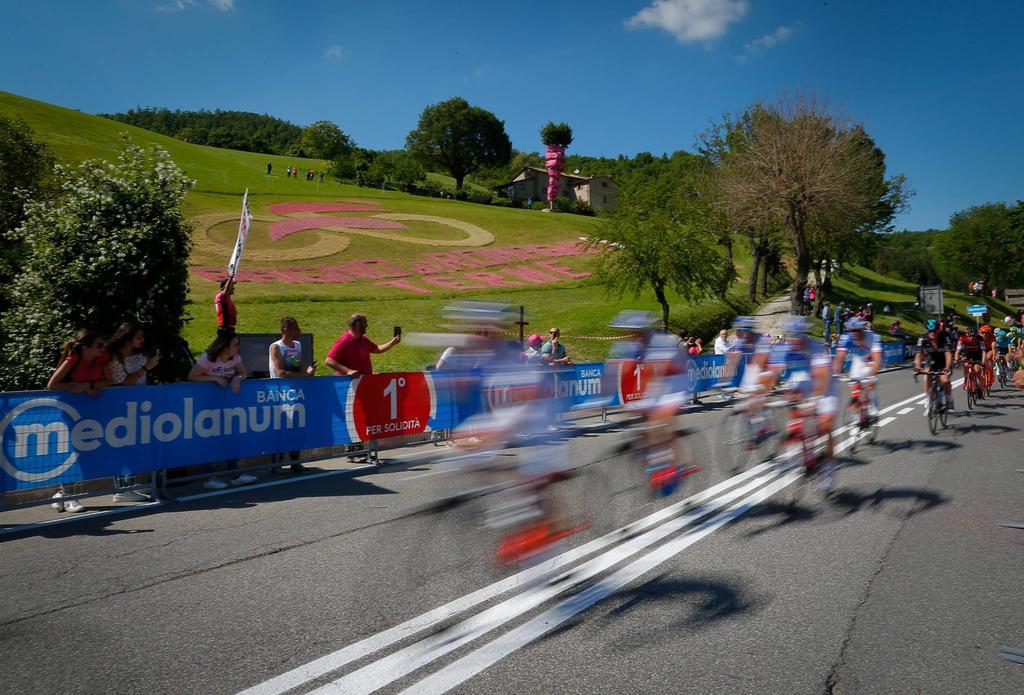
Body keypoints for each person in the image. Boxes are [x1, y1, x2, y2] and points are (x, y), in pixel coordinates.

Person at [768, 316, 838, 491]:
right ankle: (801, 453)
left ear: (805, 336)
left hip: (824, 389)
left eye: (799, 337)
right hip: (800, 386)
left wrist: (814, 401)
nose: (795, 341)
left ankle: (829, 469)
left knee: (824, 426)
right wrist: (760, 395)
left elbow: (822, 378)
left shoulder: (816, 348)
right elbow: (772, 375)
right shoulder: (782, 348)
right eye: (792, 337)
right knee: (794, 425)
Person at [46, 330, 112, 513]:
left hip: (89, 412)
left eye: (103, 345)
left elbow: (108, 381)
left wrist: (87, 386)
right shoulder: (73, 359)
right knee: (74, 453)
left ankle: (61, 494)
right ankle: (69, 496)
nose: (102, 348)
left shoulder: (102, 358)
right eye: (98, 345)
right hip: (69, 412)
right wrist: (74, 388)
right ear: (86, 347)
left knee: (85, 453)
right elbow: (52, 384)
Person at [189, 331, 257, 489]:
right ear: (225, 346)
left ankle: (236, 474)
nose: (238, 347)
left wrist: (236, 378)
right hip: (206, 405)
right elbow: (192, 376)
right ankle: (209, 477)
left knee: (230, 438)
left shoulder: (235, 358)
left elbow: (243, 373)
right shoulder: (208, 359)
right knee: (209, 440)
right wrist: (214, 378)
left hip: (226, 405)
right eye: (235, 344)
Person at [104, 322, 162, 502]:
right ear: (128, 338)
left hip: (138, 408)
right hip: (118, 408)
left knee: (135, 447)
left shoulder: (141, 356)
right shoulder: (113, 358)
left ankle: (130, 485)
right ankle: (121, 489)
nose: (142, 340)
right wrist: (145, 368)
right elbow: (122, 382)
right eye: (138, 337)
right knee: (121, 447)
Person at [269, 317, 315, 473]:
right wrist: (302, 375)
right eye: (295, 328)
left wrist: (307, 370)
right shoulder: (276, 347)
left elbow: (296, 364)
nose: (299, 331)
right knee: (281, 430)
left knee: (297, 428)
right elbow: (281, 372)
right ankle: (276, 465)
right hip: (280, 394)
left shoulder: (297, 345)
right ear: (286, 330)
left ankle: (295, 462)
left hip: (296, 393)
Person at [833, 316, 883, 419]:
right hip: (859, 360)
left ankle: (872, 402)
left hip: (871, 360)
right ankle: (855, 422)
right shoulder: (846, 337)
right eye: (851, 330)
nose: (854, 333)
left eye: (857, 330)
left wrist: (871, 378)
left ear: (862, 329)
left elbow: (877, 360)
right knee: (854, 393)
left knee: (870, 383)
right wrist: (834, 374)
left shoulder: (873, 337)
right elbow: (839, 358)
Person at [325, 313, 401, 377]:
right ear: (358, 325)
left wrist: (392, 343)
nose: (367, 326)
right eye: (365, 323)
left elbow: (377, 349)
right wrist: (348, 371)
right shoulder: (344, 341)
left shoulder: (363, 339)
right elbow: (329, 361)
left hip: (363, 381)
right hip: (350, 385)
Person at [105, 322, 160, 387]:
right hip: (129, 395)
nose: (143, 340)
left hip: (144, 393)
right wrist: (146, 368)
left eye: (142, 336)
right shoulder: (115, 358)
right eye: (139, 338)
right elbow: (124, 383)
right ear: (127, 340)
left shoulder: (141, 352)